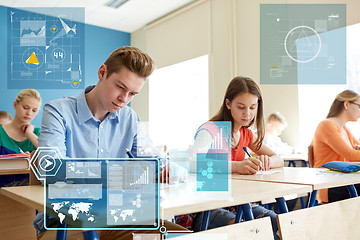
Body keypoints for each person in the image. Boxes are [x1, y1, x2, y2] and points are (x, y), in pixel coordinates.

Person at [35, 46, 187, 240]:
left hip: (120, 216)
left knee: (180, 237)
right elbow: (50, 170)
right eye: (120, 87)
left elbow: (156, 161)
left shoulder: (130, 118)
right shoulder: (58, 111)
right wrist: (117, 174)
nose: (124, 99)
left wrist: (168, 169)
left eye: (132, 94)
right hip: (66, 222)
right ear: (102, 73)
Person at [177, 76, 283, 240]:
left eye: (252, 107)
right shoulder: (210, 129)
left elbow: (278, 159)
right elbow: (193, 163)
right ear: (228, 104)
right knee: (247, 231)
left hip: (236, 203)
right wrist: (238, 166)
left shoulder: (246, 134)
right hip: (206, 208)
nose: (247, 114)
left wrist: (267, 161)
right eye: (241, 107)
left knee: (274, 222)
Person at [312, 90, 360, 203]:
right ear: (347, 104)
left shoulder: (344, 129)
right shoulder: (326, 125)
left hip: (343, 180)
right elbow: (351, 155)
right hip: (329, 184)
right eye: (359, 106)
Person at [0, 89, 41, 187]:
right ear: (15, 105)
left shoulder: (37, 133)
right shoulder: (1, 132)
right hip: (4, 188)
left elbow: (52, 156)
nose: (29, 113)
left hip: (32, 187)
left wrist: (30, 134)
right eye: (25, 108)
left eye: (34, 110)